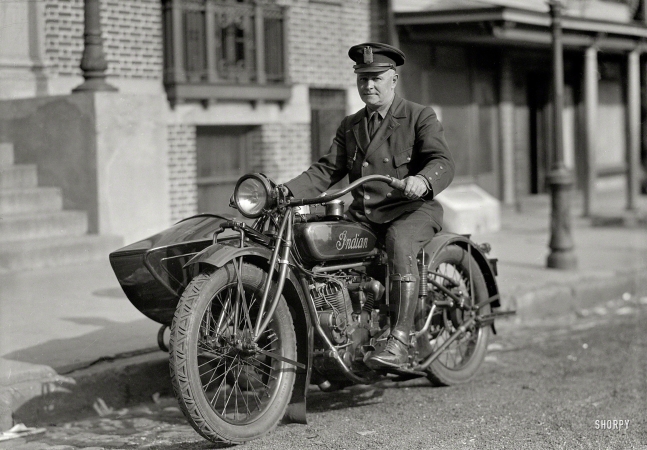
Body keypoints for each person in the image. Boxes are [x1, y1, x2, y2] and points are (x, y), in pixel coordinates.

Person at [284, 42, 455, 369]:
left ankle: (400, 340)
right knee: (315, 242)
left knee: (399, 241)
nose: (369, 85)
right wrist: (283, 191)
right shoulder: (351, 125)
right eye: (363, 78)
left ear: (393, 79)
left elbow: (442, 161)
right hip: (365, 216)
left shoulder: (418, 116)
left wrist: (423, 180)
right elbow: (325, 171)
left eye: (376, 77)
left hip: (411, 210)